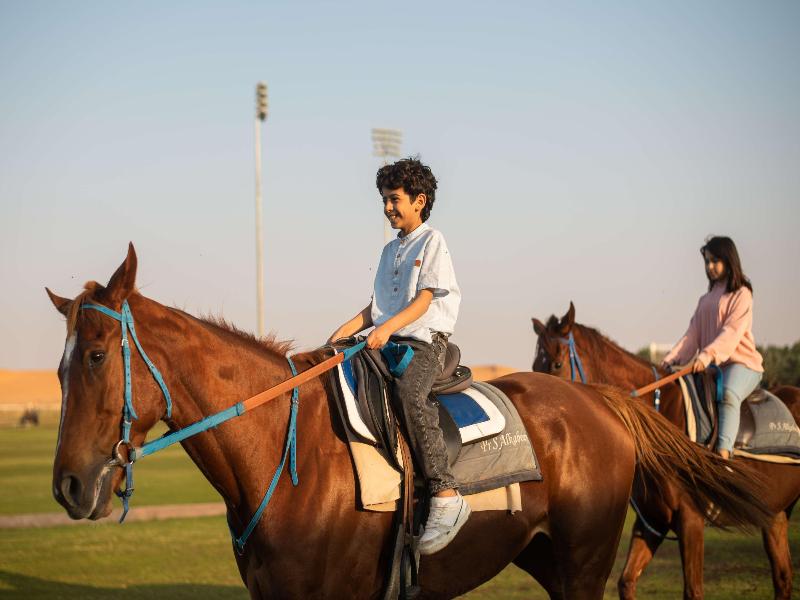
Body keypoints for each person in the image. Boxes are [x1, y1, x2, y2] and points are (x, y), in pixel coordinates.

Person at [328, 157, 470, 554]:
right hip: (387, 339)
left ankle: (445, 493)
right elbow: (376, 309)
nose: (388, 207)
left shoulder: (432, 241)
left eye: (394, 199)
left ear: (419, 201)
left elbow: (423, 300)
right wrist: (340, 333)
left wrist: (387, 328)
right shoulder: (389, 249)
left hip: (424, 342)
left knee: (410, 394)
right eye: (384, 200)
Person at [661, 236, 764, 459]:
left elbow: (731, 333)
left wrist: (707, 355)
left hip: (742, 365)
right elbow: (692, 336)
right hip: (713, 367)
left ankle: (723, 456)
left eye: (715, 261)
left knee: (727, 393)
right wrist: (670, 360)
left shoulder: (742, 294)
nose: (709, 266)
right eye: (707, 261)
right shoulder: (705, 300)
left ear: (729, 260)